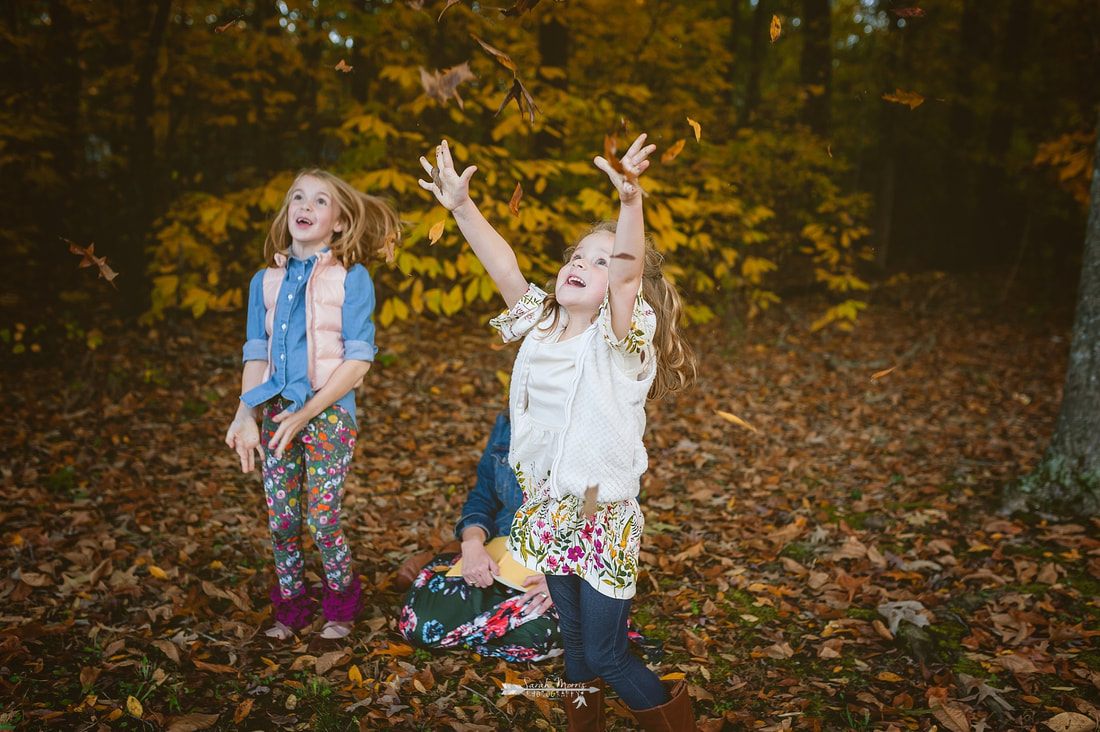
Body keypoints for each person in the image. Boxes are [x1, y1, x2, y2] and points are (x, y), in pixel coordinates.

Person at [418, 136, 697, 731]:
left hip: (600, 512)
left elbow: (625, 280)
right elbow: (505, 267)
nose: (582, 265)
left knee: (605, 655)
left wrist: (629, 202)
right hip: (551, 507)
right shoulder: (542, 325)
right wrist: (462, 207)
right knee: (574, 650)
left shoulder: (620, 342)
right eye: (577, 255)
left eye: (600, 260)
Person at [224, 169, 400, 650]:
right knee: (281, 521)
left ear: (340, 222)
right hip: (276, 411)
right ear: (288, 212)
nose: (305, 205)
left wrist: (309, 413)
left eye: (320, 201)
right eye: (298, 197)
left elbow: (358, 359)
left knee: (321, 518)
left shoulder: (352, 279)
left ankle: (342, 603)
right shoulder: (265, 281)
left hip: (329, 413)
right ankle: (291, 606)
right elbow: (255, 351)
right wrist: (245, 413)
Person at [396, 412, 662, 664]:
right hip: (497, 559)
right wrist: (472, 543)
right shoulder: (509, 424)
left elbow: (602, 525)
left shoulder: (601, 434)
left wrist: (561, 575)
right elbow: (482, 497)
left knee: (538, 636)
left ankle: (474, 625)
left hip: (563, 569)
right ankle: (482, 617)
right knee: (417, 626)